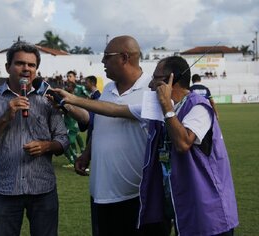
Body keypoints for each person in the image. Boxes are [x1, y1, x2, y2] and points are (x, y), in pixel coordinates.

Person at [53, 55, 239, 236]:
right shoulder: (158, 106)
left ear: (170, 81)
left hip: (207, 205)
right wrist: (72, 99)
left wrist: (167, 108)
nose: (150, 84)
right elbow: (116, 110)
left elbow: (183, 143)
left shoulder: (198, 107)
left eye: (155, 79)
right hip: (183, 200)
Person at [52, 35, 167, 236]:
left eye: (107, 56)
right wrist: (87, 153)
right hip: (101, 192)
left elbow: (115, 110)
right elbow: (100, 123)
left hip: (136, 196)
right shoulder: (108, 89)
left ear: (124, 58)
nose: (103, 62)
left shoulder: (152, 89)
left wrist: (75, 99)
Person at [0, 41, 69, 236]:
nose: (26, 68)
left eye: (31, 65)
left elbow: (63, 140)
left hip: (43, 189)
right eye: (20, 63)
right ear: (8, 67)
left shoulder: (47, 99)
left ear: (36, 69)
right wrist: (5, 118)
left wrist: (47, 146)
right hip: (6, 189)